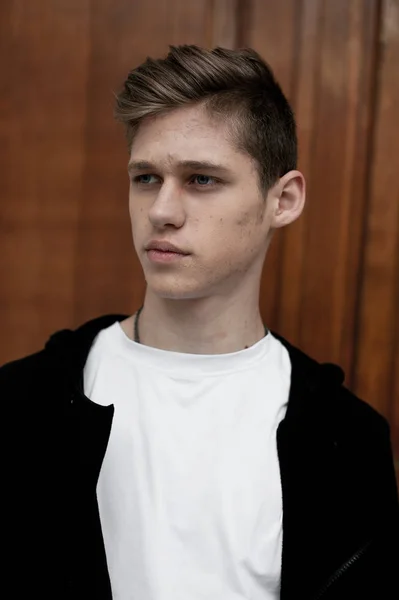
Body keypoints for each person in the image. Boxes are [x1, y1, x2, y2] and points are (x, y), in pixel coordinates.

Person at [1, 45, 398, 600]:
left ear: (282, 200)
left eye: (201, 179)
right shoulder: (22, 404)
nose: (162, 210)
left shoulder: (346, 440)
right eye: (145, 178)